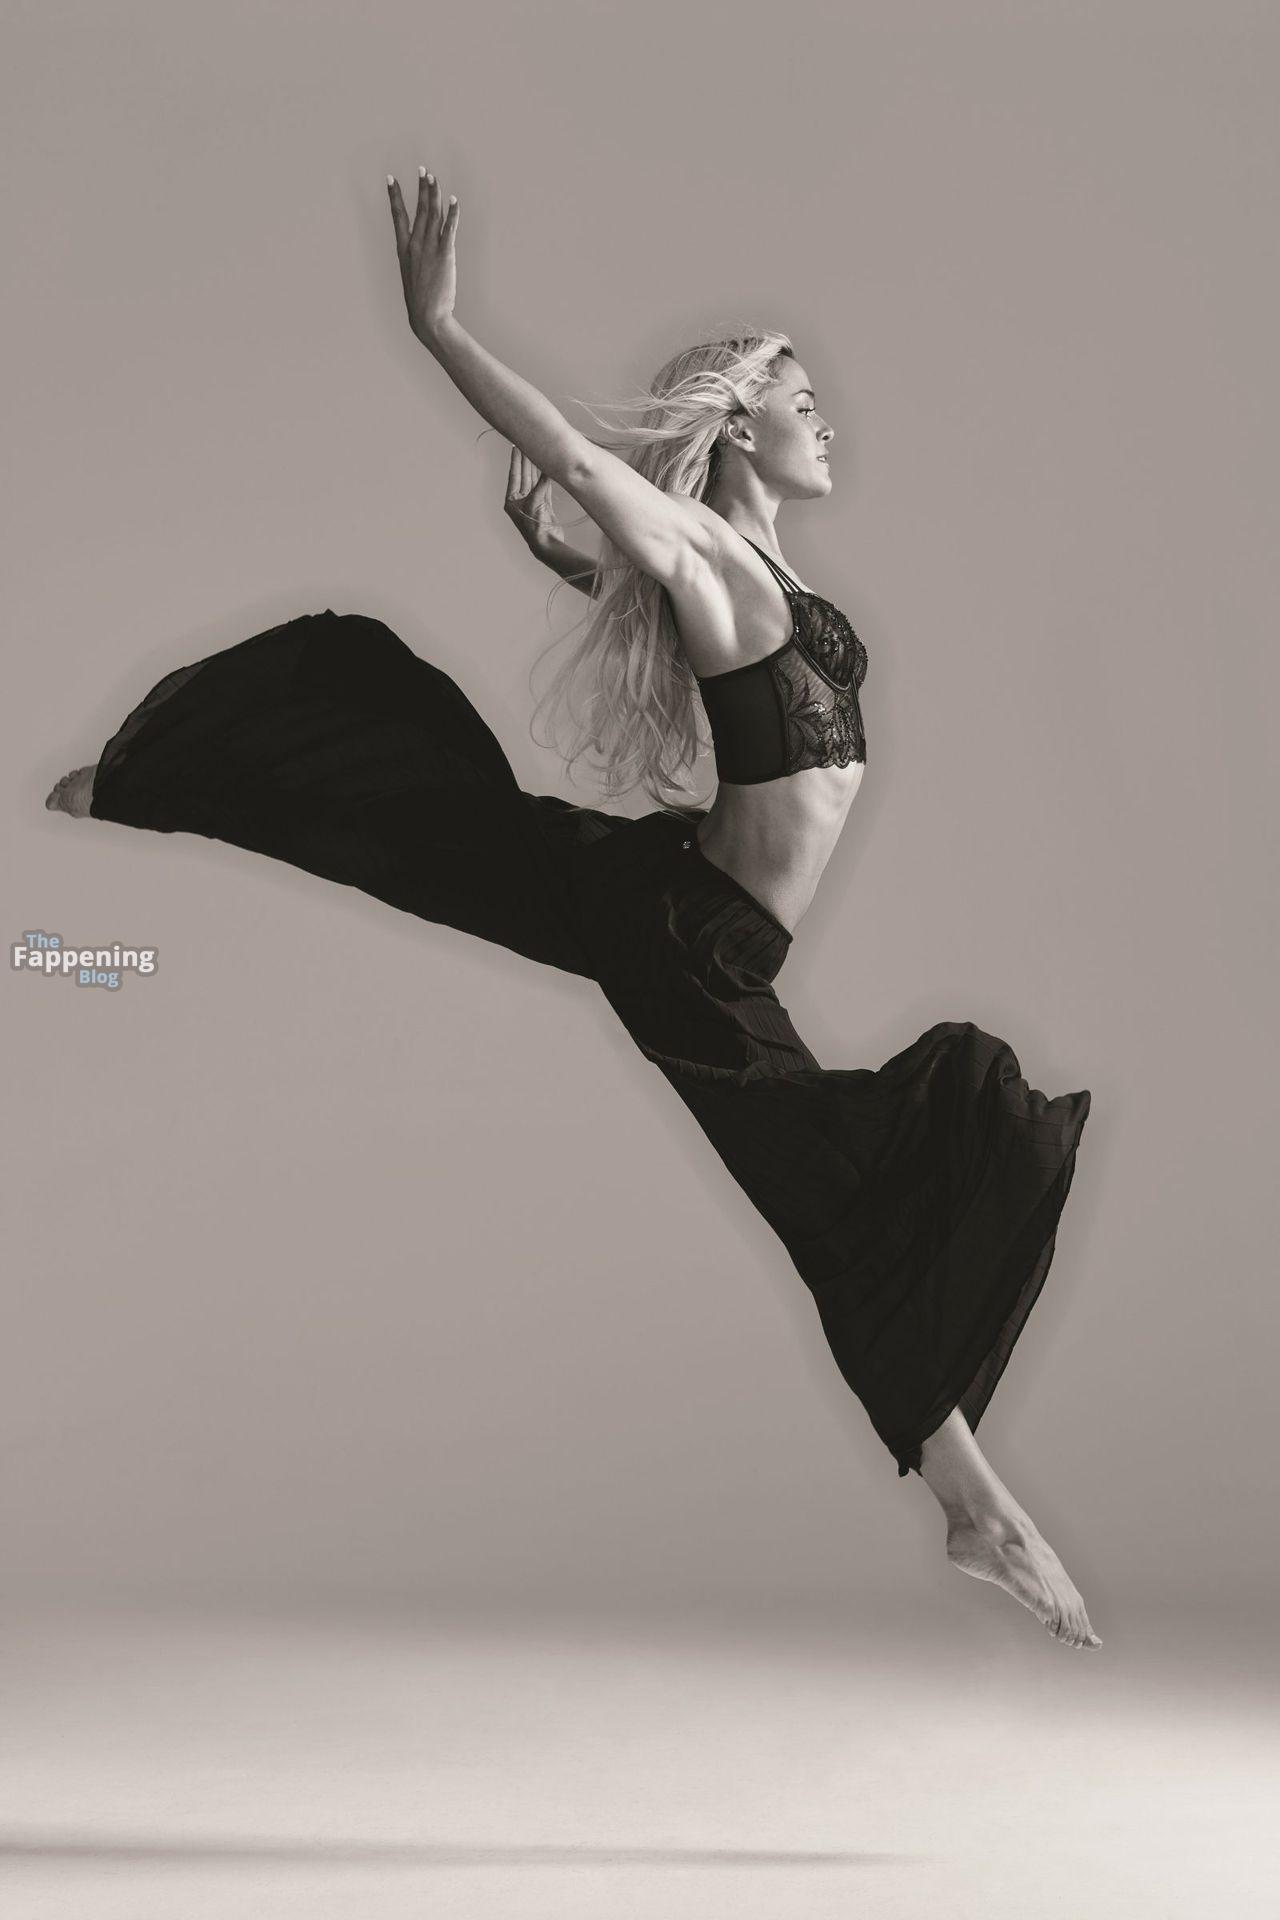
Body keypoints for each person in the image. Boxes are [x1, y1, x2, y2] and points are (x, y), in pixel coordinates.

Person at [45, 165, 1100, 1650]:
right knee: (823, 1184)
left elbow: (692, 618)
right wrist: (441, 329)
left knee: (462, 841)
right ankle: (978, 1508)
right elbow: (578, 456)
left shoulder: (748, 572)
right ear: (741, 424)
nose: (828, 418)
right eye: (802, 397)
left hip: (686, 907)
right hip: (688, 941)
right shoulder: (703, 549)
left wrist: (564, 561)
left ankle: (149, 784)